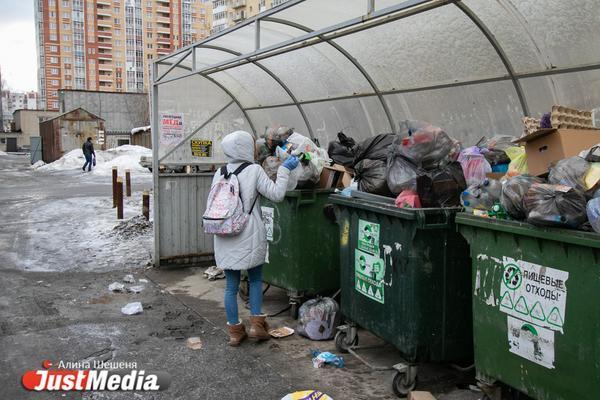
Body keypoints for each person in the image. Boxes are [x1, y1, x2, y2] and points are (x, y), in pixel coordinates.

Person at [212, 130, 299, 346]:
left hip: (224, 231)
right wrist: (285, 170)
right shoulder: (253, 170)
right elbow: (278, 194)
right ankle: (257, 327)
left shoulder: (219, 172)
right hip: (248, 230)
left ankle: (234, 331)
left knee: (231, 286)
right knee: (256, 279)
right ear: (244, 147)